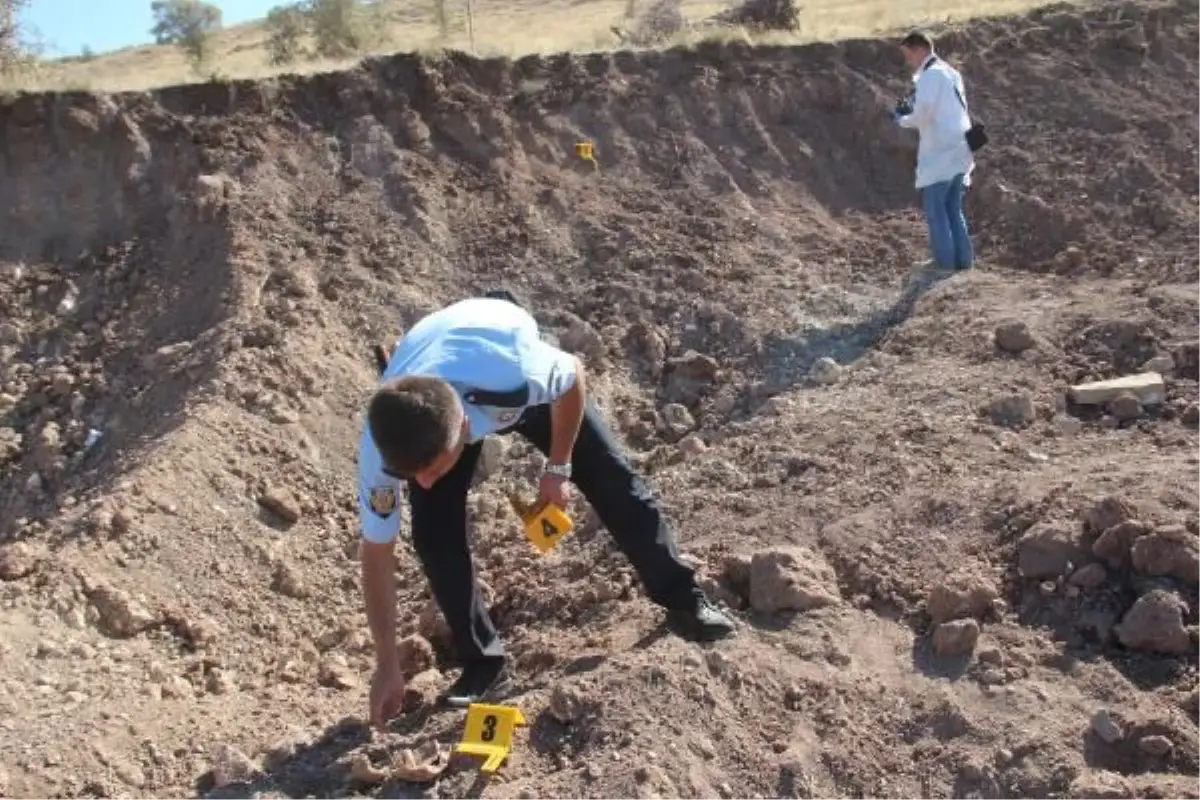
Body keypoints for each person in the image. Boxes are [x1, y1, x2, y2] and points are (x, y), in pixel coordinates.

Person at [357, 291, 736, 730]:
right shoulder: (380, 446)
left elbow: (573, 374)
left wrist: (558, 468)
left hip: (493, 356)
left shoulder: (515, 377)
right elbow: (377, 553)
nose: (422, 483)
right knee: (433, 534)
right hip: (433, 372)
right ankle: (481, 662)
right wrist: (386, 663)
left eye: (434, 469)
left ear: (463, 430)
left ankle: (683, 598)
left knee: (613, 480)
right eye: (411, 477)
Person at [892, 30, 976, 271]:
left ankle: (944, 264)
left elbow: (923, 116)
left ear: (919, 50)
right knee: (952, 207)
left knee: (936, 210)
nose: (908, 61)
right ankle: (963, 262)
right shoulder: (951, 72)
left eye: (908, 55)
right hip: (960, 147)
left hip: (941, 150)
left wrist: (901, 119)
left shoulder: (931, 76)